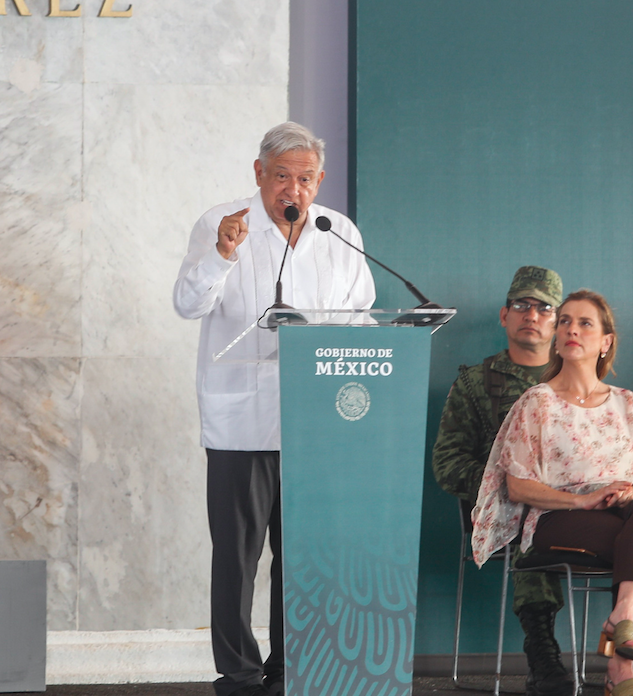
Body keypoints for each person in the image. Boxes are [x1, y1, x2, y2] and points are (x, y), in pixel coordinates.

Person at [172, 122, 375, 696]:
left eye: (305, 179)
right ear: (258, 174)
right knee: (238, 557)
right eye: (281, 176)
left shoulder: (339, 231)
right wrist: (222, 255)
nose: (293, 189)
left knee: (302, 556)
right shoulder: (223, 223)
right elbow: (187, 304)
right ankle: (238, 673)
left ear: (319, 181)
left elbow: (360, 315)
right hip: (241, 422)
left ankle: (294, 668)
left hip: (316, 422)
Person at [471, 289, 633, 696]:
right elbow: (518, 484)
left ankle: (622, 618)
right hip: (558, 518)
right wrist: (582, 499)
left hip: (622, 512)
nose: (571, 329)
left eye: (585, 323)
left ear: (606, 342)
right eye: (564, 320)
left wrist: (625, 494)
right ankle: (622, 665)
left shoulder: (628, 403)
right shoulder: (539, 402)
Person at [431, 265, 571, 696]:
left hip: (573, 509)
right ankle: (543, 655)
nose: (531, 314)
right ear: (503, 316)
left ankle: (628, 657)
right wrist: (503, 484)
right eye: (521, 305)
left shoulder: (577, 380)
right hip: (504, 510)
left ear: (557, 321)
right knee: (531, 517)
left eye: (543, 308)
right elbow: (447, 461)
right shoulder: (476, 383)